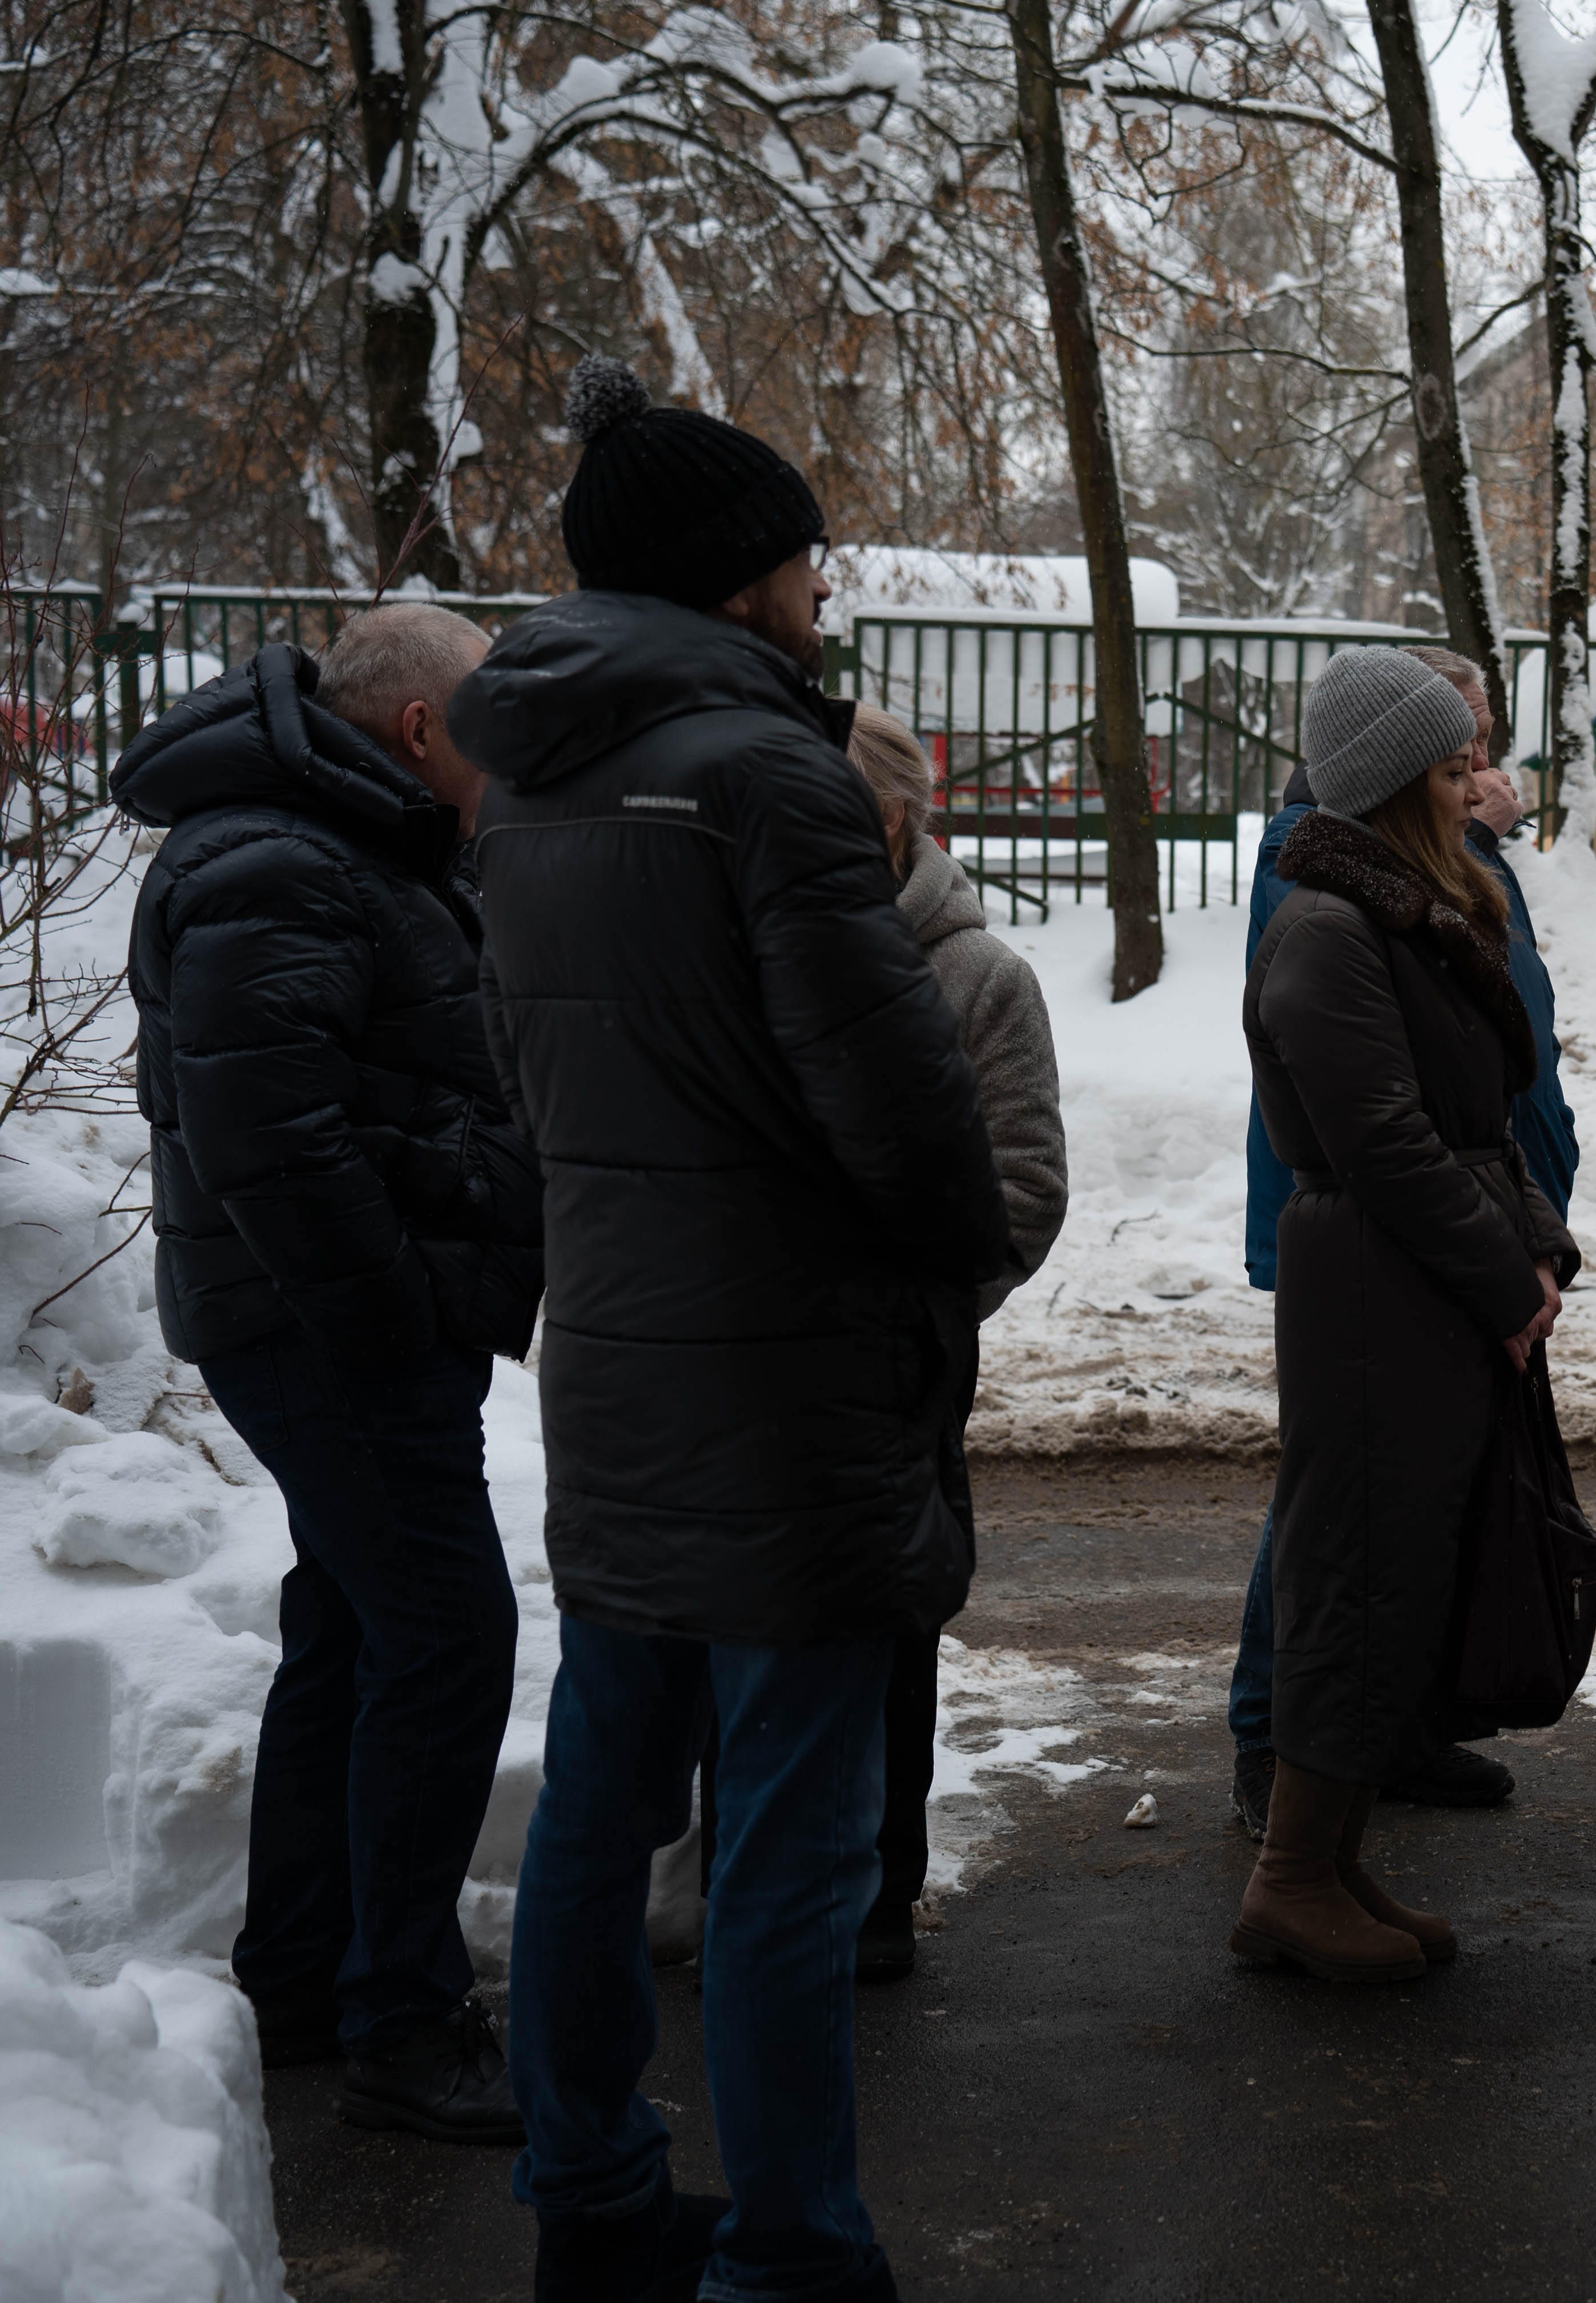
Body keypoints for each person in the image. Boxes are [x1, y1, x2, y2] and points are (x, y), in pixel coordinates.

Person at [457, 356, 1011, 2303]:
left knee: (601, 1813)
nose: (821, 584)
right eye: (802, 556)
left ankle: (592, 2198)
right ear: (733, 578)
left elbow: (529, 1081)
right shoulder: (768, 779)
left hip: (618, 1369)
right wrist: (945, 1265)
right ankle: (791, 2253)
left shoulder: (527, 784)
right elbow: (902, 1108)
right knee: (790, 1850)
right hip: (789, 1398)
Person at [114, 604, 541, 2142]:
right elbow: (272, 1142)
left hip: (337, 1324)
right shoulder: (280, 861)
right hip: (330, 1332)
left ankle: (304, 1975)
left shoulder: (349, 841)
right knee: (447, 1637)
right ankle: (405, 2027)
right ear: (423, 729)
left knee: (356, 1626)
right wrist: (403, 1311)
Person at [1232, 645, 1578, 1984]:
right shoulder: (1328, 929)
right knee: (1355, 1579)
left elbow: (1481, 1120)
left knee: (1403, 1577)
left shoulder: (1417, 914)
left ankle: (1332, 1864)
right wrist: (1503, 1280)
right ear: (1387, 786)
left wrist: (1536, 1246)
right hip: (1375, 1288)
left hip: (1423, 1278)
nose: (1476, 790)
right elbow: (1382, 1143)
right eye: (1449, 771)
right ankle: (1290, 1882)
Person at [842, 703, 1071, 1981]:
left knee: (891, 1620)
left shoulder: (981, 978)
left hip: (902, 1369)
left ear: (886, 825)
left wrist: (922, 1312)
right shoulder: (755, 947)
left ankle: (880, 1891)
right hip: (766, 1370)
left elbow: (1025, 1189)